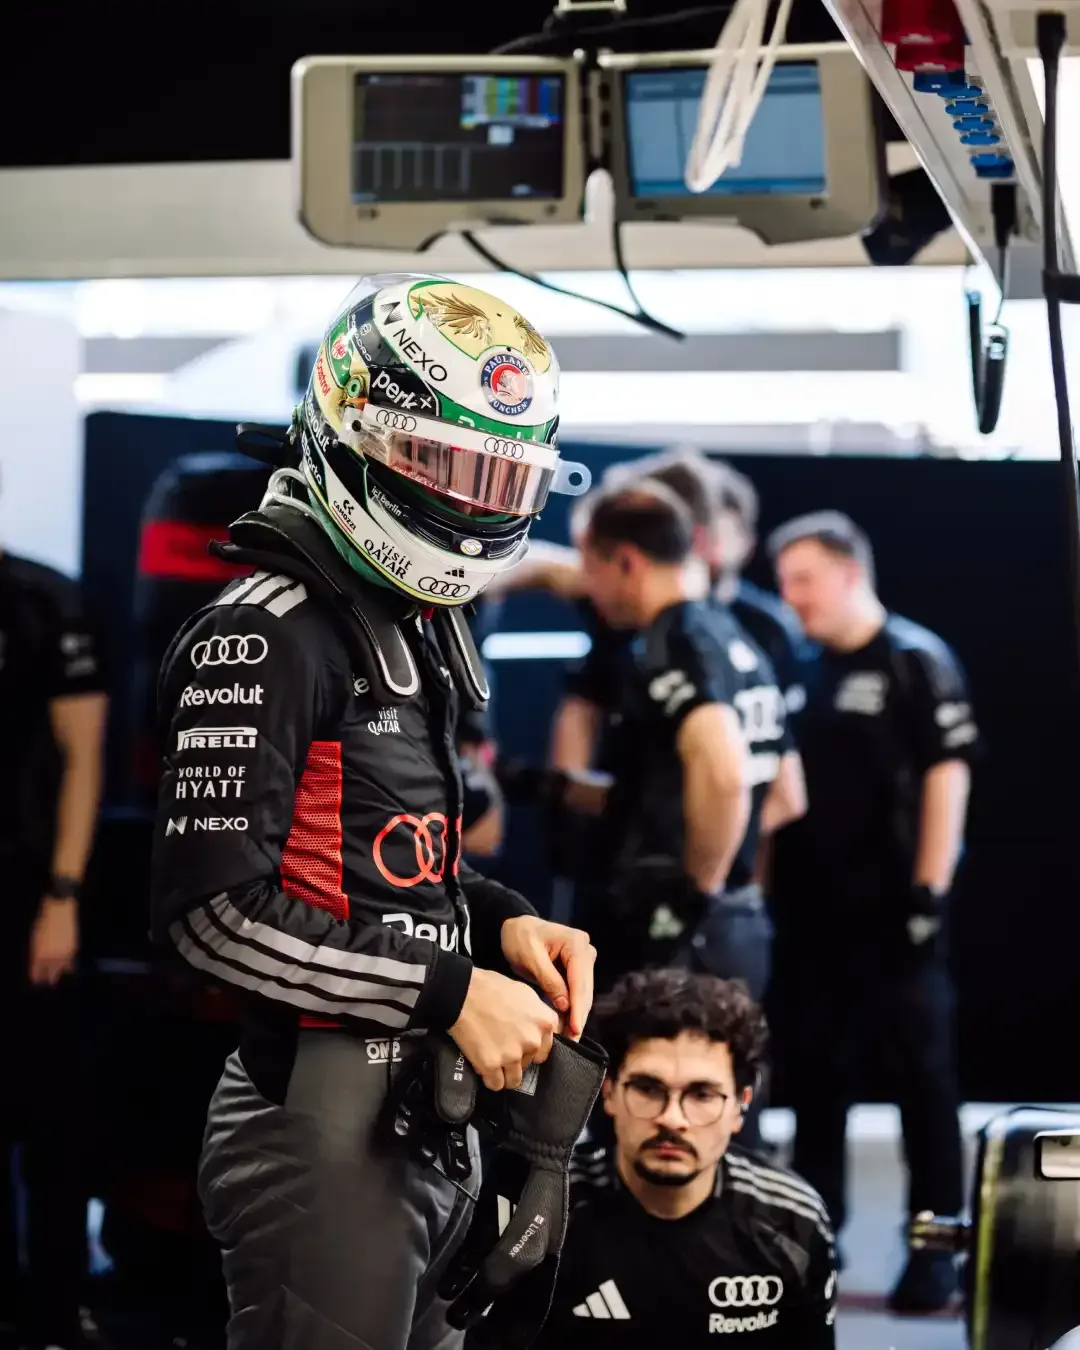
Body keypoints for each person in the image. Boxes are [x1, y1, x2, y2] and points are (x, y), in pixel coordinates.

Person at [149, 273, 598, 1350]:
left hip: (424, 1105)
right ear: (357, 433)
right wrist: (451, 989)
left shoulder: (403, 616)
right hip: (318, 1116)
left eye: (498, 477)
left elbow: (384, 864)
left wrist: (500, 923)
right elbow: (212, 915)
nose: (472, 504)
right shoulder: (265, 630)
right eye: (444, 466)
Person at [767, 510, 978, 1315]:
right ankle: (817, 1236)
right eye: (785, 582)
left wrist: (929, 893)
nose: (792, 597)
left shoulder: (915, 659)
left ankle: (936, 1248)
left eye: (804, 580)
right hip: (815, 917)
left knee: (922, 1081)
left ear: (851, 574)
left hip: (898, 917)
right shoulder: (804, 666)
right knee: (817, 1080)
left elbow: (947, 775)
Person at [527, 968, 837, 1349]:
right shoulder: (542, 1211)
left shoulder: (792, 1223)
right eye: (647, 1088)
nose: (672, 1119)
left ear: (741, 1106)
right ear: (607, 1092)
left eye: (702, 1094)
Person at [0, 553, 108, 1350]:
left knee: (53, 1115)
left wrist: (62, 898)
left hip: (32, 894)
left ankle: (58, 1308)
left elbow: (83, 755)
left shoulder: (42, 599)